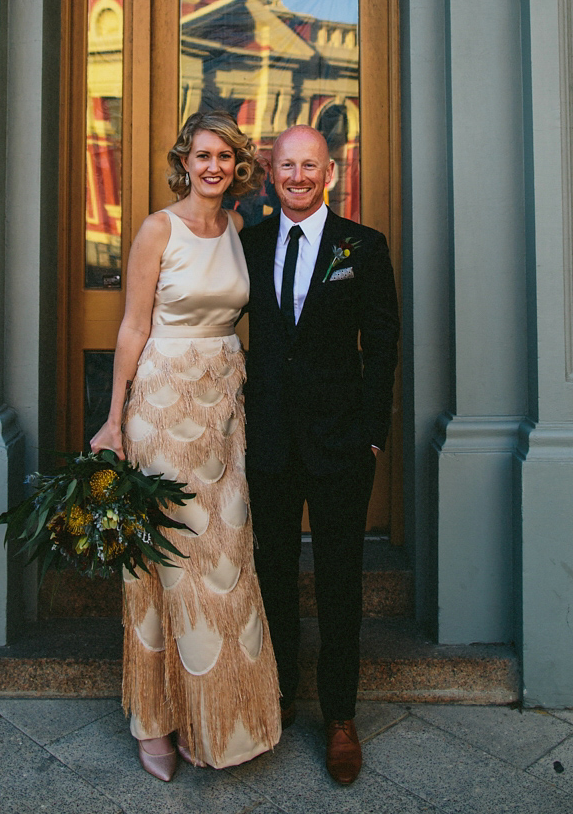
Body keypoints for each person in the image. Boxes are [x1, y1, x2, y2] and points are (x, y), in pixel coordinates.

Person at [90, 110, 282, 781]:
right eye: (203, 155)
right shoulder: (156, 229)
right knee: (166, 568)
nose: (213, 167)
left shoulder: (237, 229)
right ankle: (155, 722)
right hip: (164, 412)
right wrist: (113, 423)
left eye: (225, 157)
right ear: (185, 160)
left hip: (223, 411)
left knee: (225, 563)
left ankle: (216, 721)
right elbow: (132, 328)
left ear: (238, 167)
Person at [240, 124, 399, 786]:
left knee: (338, 581)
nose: (298, 176)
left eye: (310, 165)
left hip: (340, 445)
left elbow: (384, 339)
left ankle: (339, 717)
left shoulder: (363, 245)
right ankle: (274, 697)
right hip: (270, 441)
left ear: (330, 172)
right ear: (271, 174)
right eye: (286, 165)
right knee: (272, 572)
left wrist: (370, 434)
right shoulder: (245, 243)